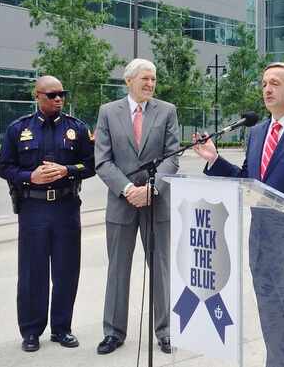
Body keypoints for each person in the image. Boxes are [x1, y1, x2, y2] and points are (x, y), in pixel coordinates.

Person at [192, 62, 284, 367]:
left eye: (274, 83)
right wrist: (216, 160)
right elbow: (250, 181)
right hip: (263, 246)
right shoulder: (258, 132)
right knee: (273, 325)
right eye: (263, 84)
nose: (267, 89)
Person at [0, 75, 95, 352]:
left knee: (66, 271)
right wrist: (30, 177)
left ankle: (62, 329)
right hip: (33, 209)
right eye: (52, 95)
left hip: (66, 208)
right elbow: (4, 166)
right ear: (37, 96)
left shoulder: (76, 128)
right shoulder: (19, 129)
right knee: (32, 273)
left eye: (62, 94)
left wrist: (67, 170)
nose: (58, 99)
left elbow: (91, 164)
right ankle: (30, 331)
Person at [93, 59, 180, 355]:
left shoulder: (167, 111)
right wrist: (129, 189)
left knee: (161, 269)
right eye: (145, 78)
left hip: (157, 202)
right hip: (121, 203)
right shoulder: (108, 112)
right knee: (118, 269)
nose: (150, 84)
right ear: (128, 80)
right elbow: (102, 161)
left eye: (153, 79)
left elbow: (172, 157)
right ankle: (113, 333)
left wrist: (152, 190)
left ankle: (165, 331)